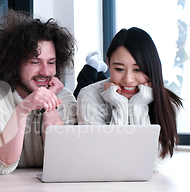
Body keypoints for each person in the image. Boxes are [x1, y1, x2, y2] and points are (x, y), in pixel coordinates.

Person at [0, 10, 77, 175]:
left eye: (51, 62)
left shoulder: (63, 96)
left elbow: (64, 161)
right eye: (35, 62)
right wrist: (22, 109)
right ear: (14, 64)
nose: (45, 71)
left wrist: (49, 107)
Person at [76, 27, 182, 169]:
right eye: (119, 69)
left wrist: (137, 105)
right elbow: (103, 162)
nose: (128, 79)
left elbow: (155, 164)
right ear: (108, 63)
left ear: (151, 68)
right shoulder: (89, 97)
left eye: (138, 70)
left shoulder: (168, 103)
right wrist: (120, 105)